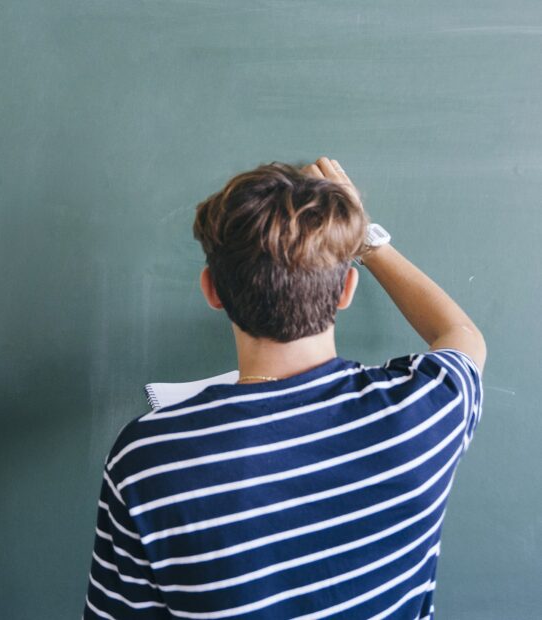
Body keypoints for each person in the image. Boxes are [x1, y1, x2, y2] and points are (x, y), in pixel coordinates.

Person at [82, 156, 486, 619]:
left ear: (211, 290)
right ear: (347, 288)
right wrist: (368, 242)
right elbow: (461, 334)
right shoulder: (424, 414)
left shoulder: (148, 460)